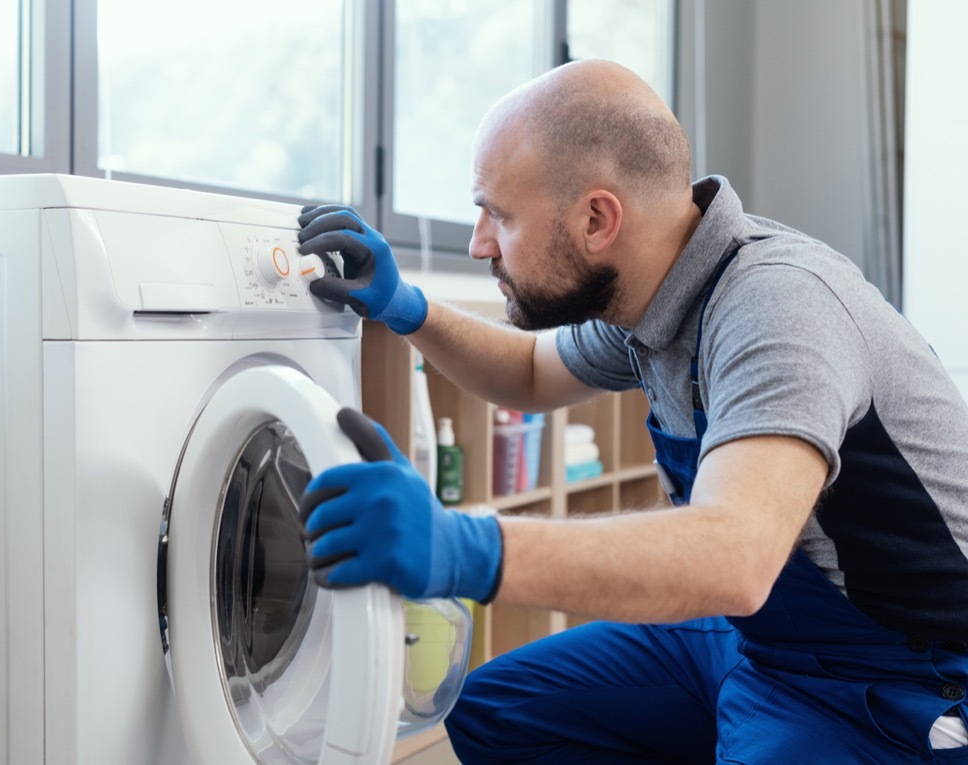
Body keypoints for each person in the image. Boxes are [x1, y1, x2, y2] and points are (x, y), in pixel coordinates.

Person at [295, 59, 968, 763]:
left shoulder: (777, 308)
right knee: (498, 711)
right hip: (754, 632)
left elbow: (734, 553)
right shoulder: (651, 292)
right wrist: (408, 309)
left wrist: (465, 546)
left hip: (897, 676)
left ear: (597, 219)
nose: (479, 244)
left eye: (499, 213)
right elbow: (529, 371)